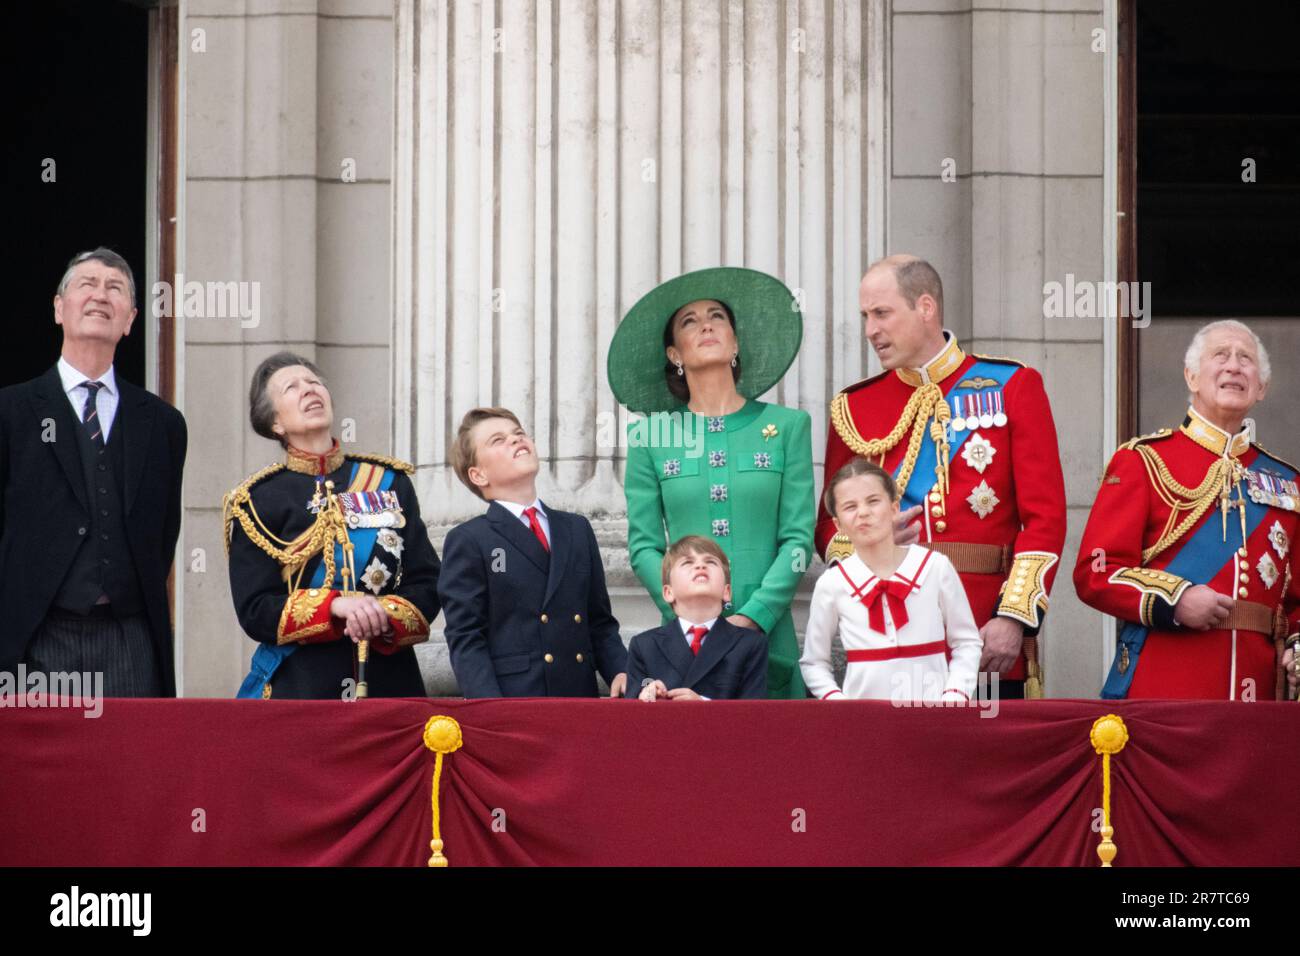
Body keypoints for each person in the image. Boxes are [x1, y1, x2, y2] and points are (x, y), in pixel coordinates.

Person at [815, 255, 1066, 698]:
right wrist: (866, 540)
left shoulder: (1012, 385)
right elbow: (827, 526)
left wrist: (1013, 617)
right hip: (886, 635)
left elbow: (1044, 519)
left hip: (983, 627)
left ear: (925, 307)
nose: (870, 329)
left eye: (881, 313)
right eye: (865, 317)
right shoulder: (855, 407)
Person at [610, 267, 814, 699]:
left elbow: (798, 538)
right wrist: (686, 609)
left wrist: (756, 614)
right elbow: (644, 545)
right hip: (681, 644)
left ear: (736, 342)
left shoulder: (789, 426)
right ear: (674, 354)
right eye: (689, 321)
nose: (705, 324)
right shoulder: (650, 437)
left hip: (768, 635)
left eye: (717, 316)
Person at [1075, 320, 1299, 700]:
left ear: (1261, 387)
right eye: (1220, 355)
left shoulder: (1288, 483)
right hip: (1165, 690)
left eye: (1246, 359)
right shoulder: (1142, 461)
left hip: (1257, 696)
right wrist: (1174, 601)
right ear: (1191, 376)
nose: (1233, 366)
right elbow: (1096, 572)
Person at [0, 248, 187, 696]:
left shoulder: (162, 424)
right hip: (36, 638)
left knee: (133, 764)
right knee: (38, 767)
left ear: (130, 320)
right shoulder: (11, 411)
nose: (100, 295)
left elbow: (162, 535)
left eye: (115, 288)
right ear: (59, 308)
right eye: (87, 284)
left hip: (129, 639)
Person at [224, 352, 440, 699]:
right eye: (291, 388)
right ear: (275, 423)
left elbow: (427, 583)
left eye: (313, 383)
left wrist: (381, 613)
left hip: (390, 682)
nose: (309, 390)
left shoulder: (388, 481)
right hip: (303, 686)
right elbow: (255, 609)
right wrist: (335, 606)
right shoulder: (257, 500)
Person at [438, 407, 628, 698]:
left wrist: (622, 671)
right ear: (478, 474)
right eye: (498, 440)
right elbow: (466, 637)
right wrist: (490, 711)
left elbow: (599, 623)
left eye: (519, 433)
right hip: (517, 703)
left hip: (579, 699)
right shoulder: (470, 539)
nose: (515, 440)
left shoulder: (576, 529)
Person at [801, 458, 981, 702]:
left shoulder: (935, 567)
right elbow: (814, 662)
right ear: (838, 524)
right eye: (850, 507)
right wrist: (838, 704)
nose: (863, 513)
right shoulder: (832, 584)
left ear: (894, 508)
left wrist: (955, 695)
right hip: (865, 725)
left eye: (873, 501)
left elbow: (967, 642)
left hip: (934, 717)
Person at [627, 535, 768, 701]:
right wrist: (648, 693)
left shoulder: (751, 644)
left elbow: (752, 715)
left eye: (710, 562)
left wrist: (703, 706)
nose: (700, 565)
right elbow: (634, 705)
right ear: (668, 592)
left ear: (726, 591)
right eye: (687, 562)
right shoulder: (644, 646)